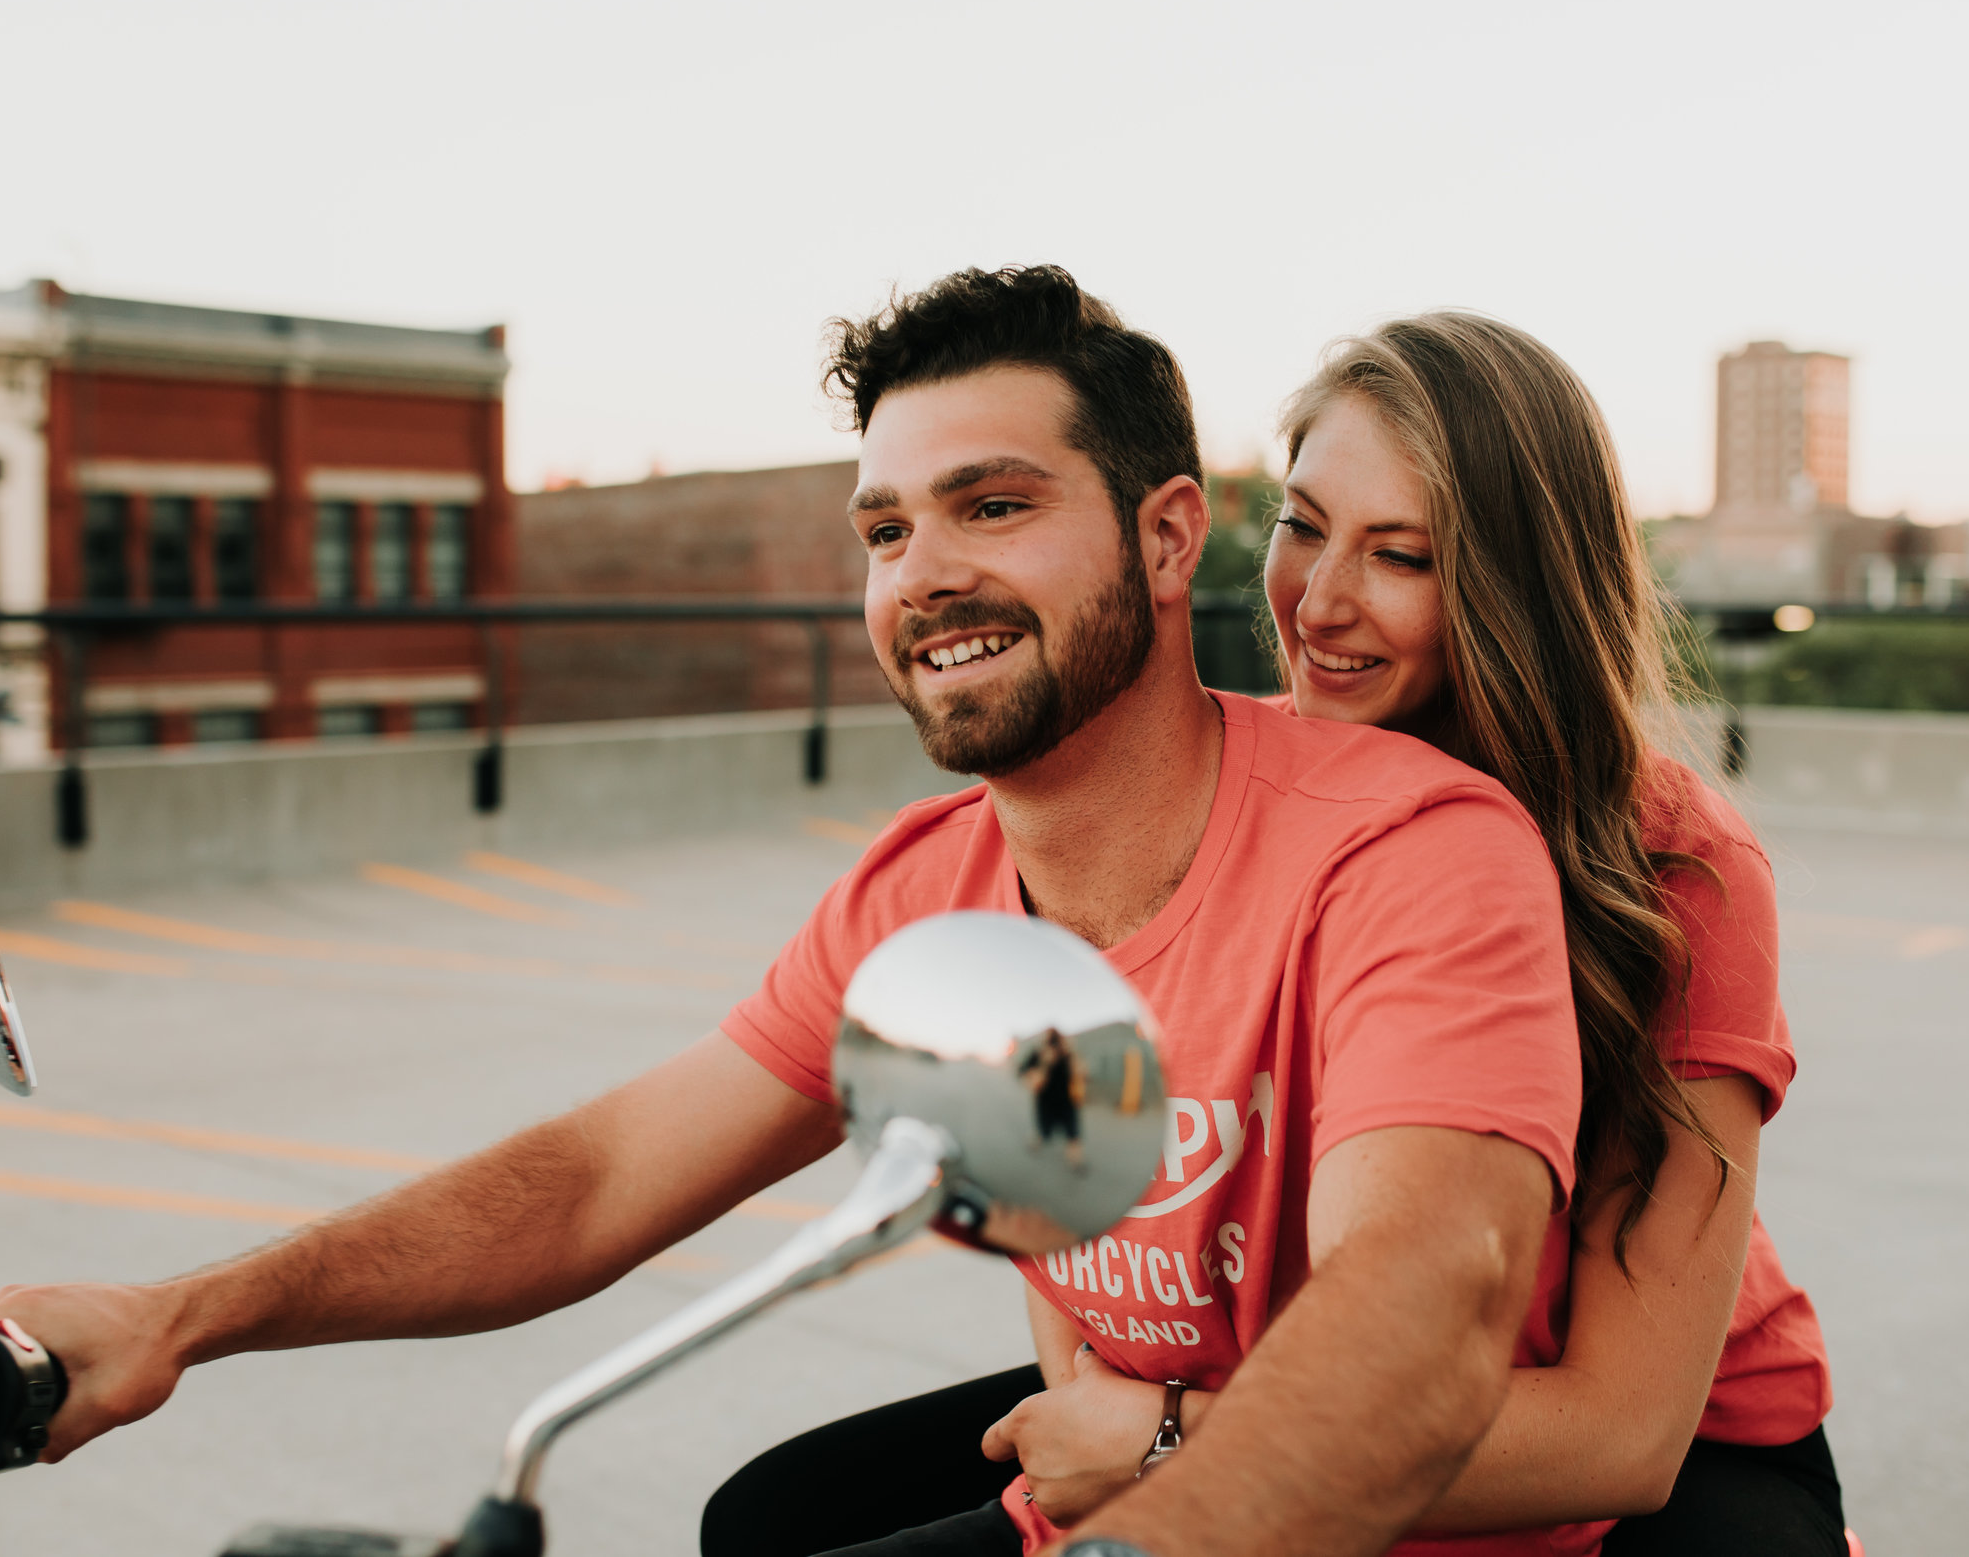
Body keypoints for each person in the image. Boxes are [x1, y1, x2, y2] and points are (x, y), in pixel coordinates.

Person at [0, 268, 1588, 1557]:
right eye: (885, 529)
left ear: (1168, 537)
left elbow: (1417, 1301)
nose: (923, 573)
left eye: (993, 506)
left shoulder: (1413, 847)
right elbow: (601, 1176)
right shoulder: (920, 891)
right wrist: (182, 1316)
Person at [702, 313, 1845, 1557]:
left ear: (1515, 584)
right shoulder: (1220, 797)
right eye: (1302, 528)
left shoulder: (1667, 857)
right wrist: (1119, 1401)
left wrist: (1166, 1437)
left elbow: (1618, 1435)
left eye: (1399, 555)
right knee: (768, 1515)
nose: (1318, 602)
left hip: (1656, 1438)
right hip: (1292, 1373)